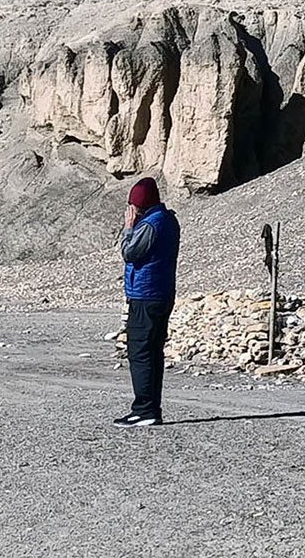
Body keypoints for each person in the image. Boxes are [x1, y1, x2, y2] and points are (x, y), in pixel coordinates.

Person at [116, 176, 180, 428]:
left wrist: (129, 227)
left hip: (146, 295)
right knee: (152, 352)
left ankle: (145, 409)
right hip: (160, 293)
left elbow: (129, 253)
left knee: (141, 352)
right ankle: (149, 408)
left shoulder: (150, 225)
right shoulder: (168, 220)